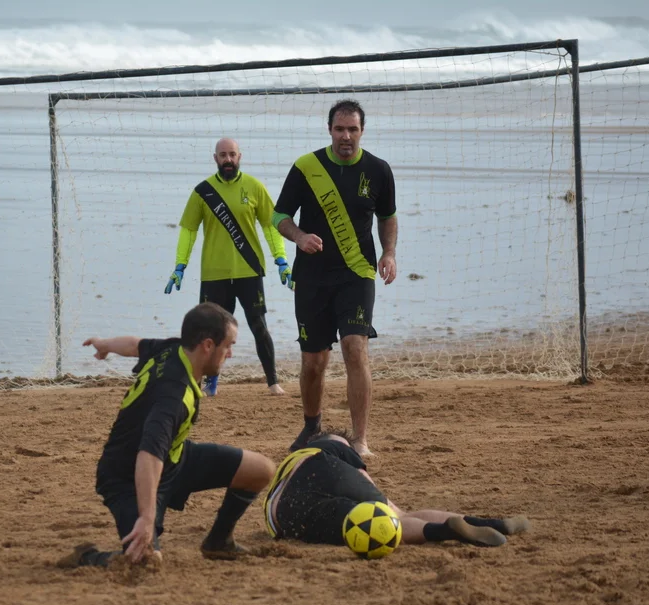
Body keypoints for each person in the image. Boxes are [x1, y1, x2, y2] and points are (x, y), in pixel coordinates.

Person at [62, 302, 276, 568]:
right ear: (208, 345)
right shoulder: (173, 397)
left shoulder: (174, 348)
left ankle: (219, 542)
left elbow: (134, 345)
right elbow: (148, 455)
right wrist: (147, 518)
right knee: (145, 562)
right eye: (228, 346)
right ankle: (87, 557)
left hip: (173, 459)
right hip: (127, 476)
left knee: (261, 470)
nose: (230, 354)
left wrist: (105, 344)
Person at [273, 99, 398, 457]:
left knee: (355, 348)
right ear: (329, 130)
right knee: (314, 363)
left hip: (357, 274)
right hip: (312, 277)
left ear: (362, 131)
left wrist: (388, 253)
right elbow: (279, 216)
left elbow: (387, 217)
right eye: (340, 129)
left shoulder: (378, 170)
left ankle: (360, 439)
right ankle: (312, 425)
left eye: (352, 129)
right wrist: (299, 237)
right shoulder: (306, 167)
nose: (346, 136)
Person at [165, 137, 292, 397]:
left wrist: (281, 259)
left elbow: (270, 226)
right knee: (209, 333)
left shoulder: (254, 187)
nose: (228, 160)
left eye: (232, 154)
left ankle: (272, 382)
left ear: (239, 156)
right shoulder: (203, 191)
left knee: (259, 327)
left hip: (249, 271)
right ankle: (208, 384)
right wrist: (180, 266)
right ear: (215, 158)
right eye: (223, 155)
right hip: (214, 273)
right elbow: (188, 230)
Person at [263, 429, 531, 549]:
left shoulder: (288, 466)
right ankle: (493, 523)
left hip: (285, 517)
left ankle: (443, 532)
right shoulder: (329, 443)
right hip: (319, 466)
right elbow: (358, 475)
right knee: (395, 515)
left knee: (366, 527)